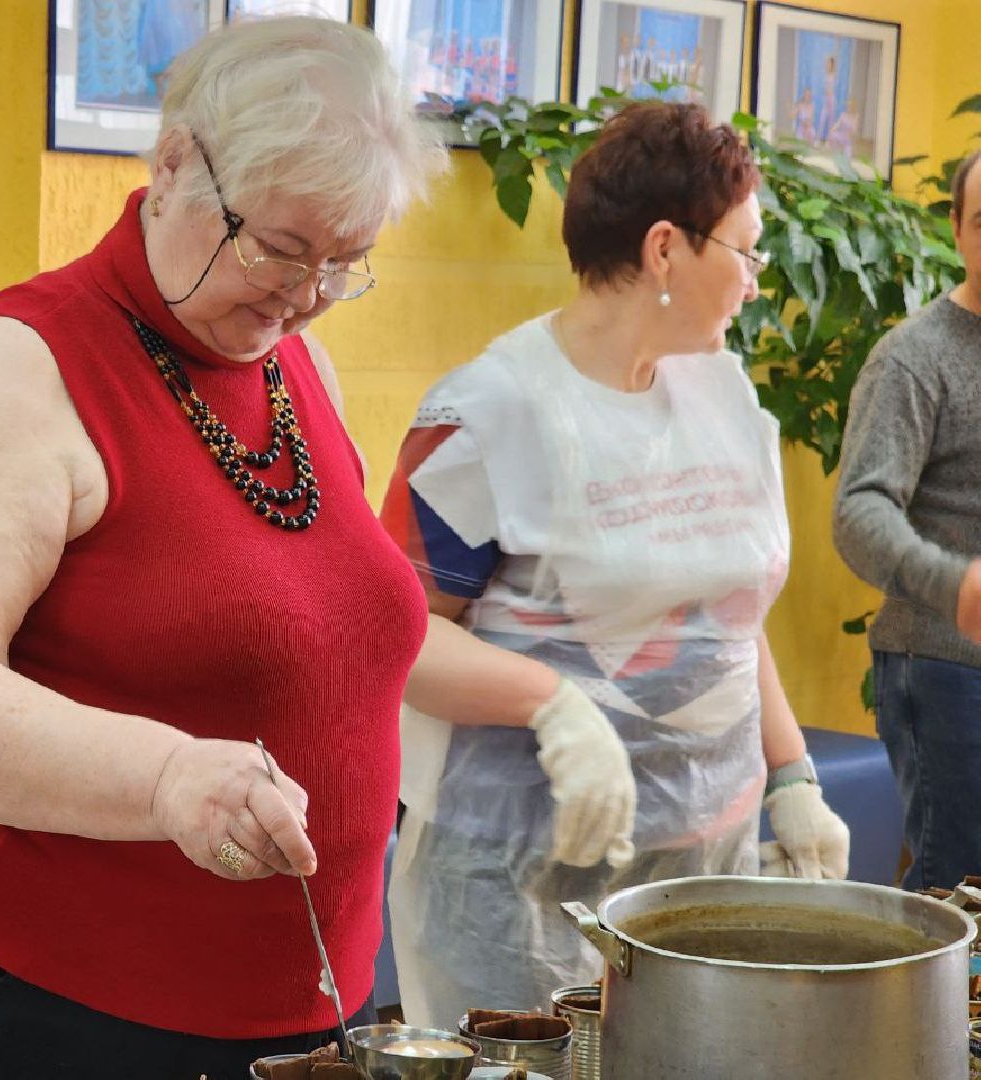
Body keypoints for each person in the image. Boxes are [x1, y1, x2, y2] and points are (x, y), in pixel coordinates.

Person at [0, 17, 448, 1080]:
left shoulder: (294, 365)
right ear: (176, 163)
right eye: (280, 248)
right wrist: (166, 777)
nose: (305, 296)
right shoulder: (21, 364)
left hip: (322, 1005)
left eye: (344, 263)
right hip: (89, 1013)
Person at [381, 102, 851, 1024]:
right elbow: (394, 637)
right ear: (666, 249)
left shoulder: (717, 394)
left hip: (701, 874)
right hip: (517, 885)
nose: (756, 281)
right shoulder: (488, 416)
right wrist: (550, 705)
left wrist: (792, 773)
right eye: (747, 252)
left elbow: (725, 613)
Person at [833, 148, 981, 892]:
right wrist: (956, 585)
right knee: (961, 899)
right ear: (956, 228)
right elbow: (859, 509)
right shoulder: (914, 357)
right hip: (947, 668)